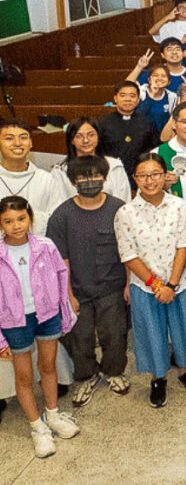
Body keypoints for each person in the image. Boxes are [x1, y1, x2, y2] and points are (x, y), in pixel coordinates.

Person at [113, 154, 186, 408]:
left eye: (155, 174)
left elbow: (183, 245)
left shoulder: (179, 205)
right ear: (135, 179)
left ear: (165, 175)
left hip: (179, 282)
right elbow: (129, 255)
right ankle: (158, 378)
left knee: (185, 328)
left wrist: (172, 285)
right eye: (143, 175)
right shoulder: (125, 213)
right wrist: (157, 286)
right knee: (151, 334)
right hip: (145, 286)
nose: (150, 180)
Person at [0, 196, 80, 458]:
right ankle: (37, 427)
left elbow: (61, 278)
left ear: (30, 218)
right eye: (8, 221)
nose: (16, 225)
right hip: (13, 322)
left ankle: (53, 414)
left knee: (48, 366)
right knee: (24, 376)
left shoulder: (45, 246)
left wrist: (65, 315)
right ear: (1, 224)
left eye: (21, 218)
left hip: (47, 315)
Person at [47, 156, 129, 407]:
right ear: (73, 182)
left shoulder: (119, 209)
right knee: (79, 338)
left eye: (95, 176)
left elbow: (130, 251)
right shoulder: (62, 215)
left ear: (105, 178)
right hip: (78, 290)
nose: (90, 181)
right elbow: (62, 260)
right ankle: (86, 375)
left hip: (112, 287)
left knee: (115, 335)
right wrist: (68, 294)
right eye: (82, 177)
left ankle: (113, 372)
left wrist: (128, 285)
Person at [97, 81, 161, 188]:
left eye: (132, 96)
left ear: (138, 100)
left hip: (140, 178)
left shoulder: (147, 123)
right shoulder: (102, 123)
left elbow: (154, 151)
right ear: (115, 98)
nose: (127, 99)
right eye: (123, 95)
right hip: (110, 177)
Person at [51, 118, 131, 203]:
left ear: (98, 137)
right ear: (72, 140)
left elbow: (124, 203)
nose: (86, 140)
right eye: (79, 136)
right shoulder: (60, 171)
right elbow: (60, 204)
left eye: (91, 135)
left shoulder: (114, 166)